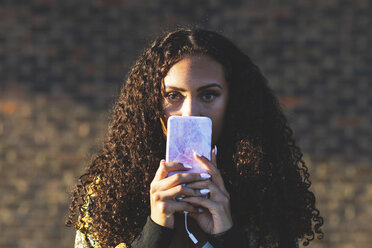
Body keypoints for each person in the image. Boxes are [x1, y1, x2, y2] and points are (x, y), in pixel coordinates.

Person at [67, 28, 324, 248]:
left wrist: (226, 232)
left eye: (208, 95)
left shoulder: (265, 188)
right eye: (174, 96)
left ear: (234, 103)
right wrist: (154, 231)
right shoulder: (109, 191)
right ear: (150, 104)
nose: (189, 112)